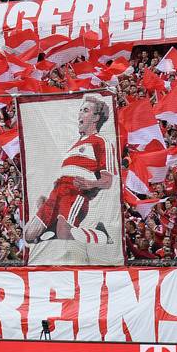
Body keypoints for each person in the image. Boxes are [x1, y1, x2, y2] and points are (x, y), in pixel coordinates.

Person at [23, 96, 117, 244]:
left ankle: (101, 234)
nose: (80, 114)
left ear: (96, 118)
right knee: (29, 235)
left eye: (85, 110)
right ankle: (54, 223)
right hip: (57, 192)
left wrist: (90, 184)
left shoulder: (101, 142)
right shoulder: (73, 146)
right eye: (80, 110)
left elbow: (108, 181)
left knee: (64, 233)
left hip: (75, 192)